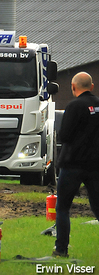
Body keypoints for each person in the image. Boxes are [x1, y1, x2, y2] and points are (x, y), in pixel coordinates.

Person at [53, 71, 99, 258]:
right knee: (97, 207)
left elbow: (64, 136)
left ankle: (61, 249)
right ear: (92, 86)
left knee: (63, 207)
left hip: (72, 164)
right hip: (96, 166)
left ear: (73, 87)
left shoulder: (74, 106)